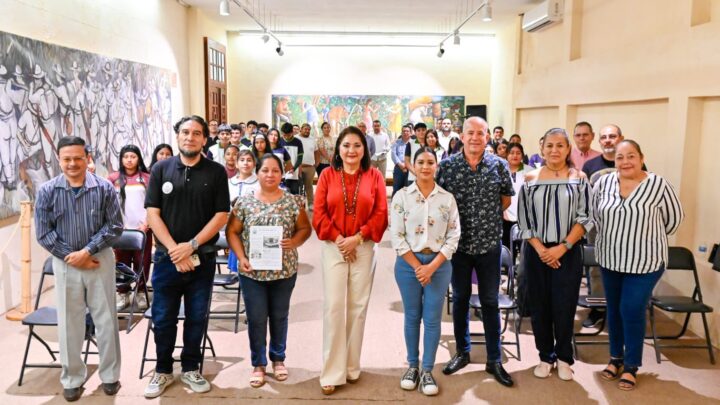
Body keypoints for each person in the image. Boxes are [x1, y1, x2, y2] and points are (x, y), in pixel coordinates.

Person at [143, 116, 230, 398]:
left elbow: (221, 215)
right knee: (163, 318)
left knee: (196, 317)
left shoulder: (216, 172)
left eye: (196, 133)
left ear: (205, 139)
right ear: (177, 136)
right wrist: (173, 250)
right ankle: (163, 370)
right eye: (184, 132)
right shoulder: (161, 168)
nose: (190, 137)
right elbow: (152, 213)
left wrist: (191, 245)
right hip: (166, 260)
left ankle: (191, 367)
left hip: (201, 259)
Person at [35, 136, 123, 401]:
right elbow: (43, 233)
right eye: (67, 159)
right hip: (65, 264)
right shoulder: (47, 191)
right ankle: (72, 378)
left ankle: (110, 376)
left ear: (87, 158)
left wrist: (87, 251)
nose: (72, 164)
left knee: (105, 319)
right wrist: (71, 256)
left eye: (78, 158)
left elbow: (115, 226)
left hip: (99, 259)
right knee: (69, 322)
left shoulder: (104, 188)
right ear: (59, 160)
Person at [591, 140, 683, 391]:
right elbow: (596, 215)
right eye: (620, 157)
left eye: (631, 156)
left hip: (645, 262)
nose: (625, 162)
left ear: (641, 158)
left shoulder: (658, 185)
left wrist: (641, 238)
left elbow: (673, 221)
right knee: (614, 309)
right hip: (610, 259)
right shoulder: (603, 183)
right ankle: (615, 359)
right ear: (614, 160)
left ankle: (631, 365)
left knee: (631, 309)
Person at [435, 116, 514, 387]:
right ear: (462, 135)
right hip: (458, 247)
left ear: (488, 136)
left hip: (489, 245)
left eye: (481, 133)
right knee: (460, 300)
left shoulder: (499, 165)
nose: (475, 138)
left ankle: (494, 359)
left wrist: (485, 220)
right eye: (470, 133)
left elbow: (505, 199)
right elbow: (438, 201)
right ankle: (462, 352)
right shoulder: (447, 166)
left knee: (490, 301)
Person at [313, 126, 388, 395]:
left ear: (364, 149)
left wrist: (357, 238)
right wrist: (340, 239)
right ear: (338, 149)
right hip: (333, 246)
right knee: (334, 306)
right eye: (346, 145)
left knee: (357, 307)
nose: (351, 150)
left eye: (357, 145)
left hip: (363, 246)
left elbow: (381, 213)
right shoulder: (326, 175)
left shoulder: (375, 176)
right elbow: (318, 214)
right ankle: (332, 371)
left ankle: (352, 366)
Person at [226, 154, 312, 388]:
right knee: (256, 318)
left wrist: (294, 242)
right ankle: (258, 363)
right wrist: (241, 257)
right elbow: (231, 232)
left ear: (281, 173)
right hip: (252, 272)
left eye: (275, 171)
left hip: (284, 272)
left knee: (279, 316)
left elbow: (305, 228)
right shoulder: (244, 202)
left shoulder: (293, 201)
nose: (270, 175)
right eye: (265, 170)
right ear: (257, 172)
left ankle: (278, 358)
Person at [517, 128, 592, 381]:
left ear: (568, 149)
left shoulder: (579, 178)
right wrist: (541, 250)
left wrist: (562, 247)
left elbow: (585, 217)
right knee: (539, 305)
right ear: (542, 148)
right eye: (549, 145)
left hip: (568, 251)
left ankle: (564, 358)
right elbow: (524, 220)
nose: (554, 150)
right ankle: (544, 356)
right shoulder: (530, 179)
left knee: (564, 304)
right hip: (536, 252)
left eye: (560, 145)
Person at [391, 147, 461, 396]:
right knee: (412, 316)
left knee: (432, 319)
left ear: (437, 166)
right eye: (420, 162)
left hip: (439, 266)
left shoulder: (447, 198)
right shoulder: (401, 196)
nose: (425, 166)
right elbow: (397, 237)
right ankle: (412, 366)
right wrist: (418, 267)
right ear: (413, 165)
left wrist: (431, 266)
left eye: (430, 162)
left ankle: (428, 370)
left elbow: (454, 236)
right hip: (408, 266)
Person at [107, 145, 152, 311]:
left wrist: (147, 223)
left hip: (143, 230)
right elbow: (108, 204)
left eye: (133, 156)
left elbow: (153, 203)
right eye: (126, 157)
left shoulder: (147, 178)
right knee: (121, 263)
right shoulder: (113, 179)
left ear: (138, 158)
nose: (129, 160)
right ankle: (123, 293)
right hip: (121, 231)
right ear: (121, 159)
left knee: (143, 262)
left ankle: (141, 292)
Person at [502, 143, 526, 254]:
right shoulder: (501, 170)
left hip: (524, 219)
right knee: (507, 251)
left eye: (518, 153)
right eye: (511, 153)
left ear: (522, 155)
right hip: (505, 218)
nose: (515, 156)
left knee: (524, 251)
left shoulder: (529, 171)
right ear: (506, 155)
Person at [279, 122, 304, 195]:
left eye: (288, 135)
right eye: (284, 135)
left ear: (292, 132)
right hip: (281, 175)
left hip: (293, 174)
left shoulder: (298, 142)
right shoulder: (279, 141)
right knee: (282, 195)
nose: (286, 137)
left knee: (294, 195)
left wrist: (294, 168)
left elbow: (300, 158)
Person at [297, 123, 318, 209]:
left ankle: (310, 204)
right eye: (305, 129)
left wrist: (316, 164)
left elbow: (316, 152)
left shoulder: (312, 139)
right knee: (298, 186)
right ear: (301, 129)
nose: (307, 131)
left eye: (309, 129)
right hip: (298, 167)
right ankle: (299, 205)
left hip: (310, 167)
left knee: (309, 186)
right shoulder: (295, 139)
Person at [391, 125, 412, 197]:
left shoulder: (413, 143)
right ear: (401, 132)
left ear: (410, 133)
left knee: (408, 189)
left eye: (407, 131)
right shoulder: (396, 142)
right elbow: (393, 155)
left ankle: (407, 207)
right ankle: (394, 207)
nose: (405, 132)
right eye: (404, 131)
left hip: (410, 169)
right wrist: (401, 165)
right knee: (396, 189)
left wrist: (407, 165)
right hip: (398, 168)